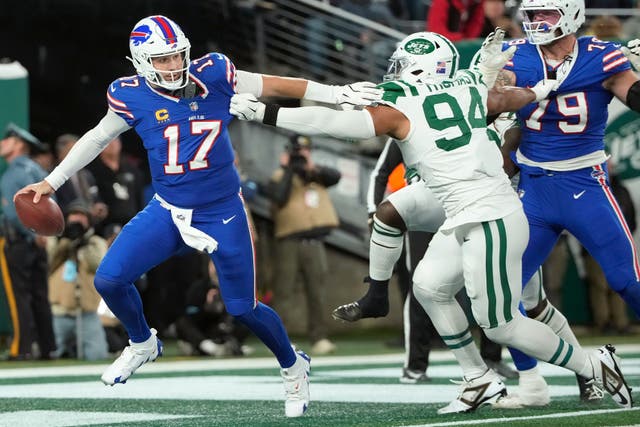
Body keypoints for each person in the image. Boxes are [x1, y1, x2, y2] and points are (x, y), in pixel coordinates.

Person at [230, 30, 633, 412]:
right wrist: (538, 89)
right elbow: (506, 101)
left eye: (402, 64)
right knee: (428, 286)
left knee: (500, 324)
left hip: (489, 214)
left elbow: (333, 124)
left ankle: (594, 366)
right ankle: (478, 378)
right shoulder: (469, 84)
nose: (395, 71)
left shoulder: (408, 103)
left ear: (422, 69)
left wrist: (267, 114)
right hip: (470, 209)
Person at [16, 15, 381, 418]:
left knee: (242, 308)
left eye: (177, 56)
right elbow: (97, 138)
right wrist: (51, 182)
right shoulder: (130, 95)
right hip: (169, 210)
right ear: (140, 62)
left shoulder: (216, 72)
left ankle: (293, 366)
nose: (174, 66)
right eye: (163, 59)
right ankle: (142, 342)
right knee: (109, 278)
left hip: (221, 211)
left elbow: (277, 84)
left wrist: (335, 93)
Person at [492, 0, 640, 393]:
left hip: (585, 185)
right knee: (502, 299)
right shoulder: (516, 54)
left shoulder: (603, 55)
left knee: (627, 282)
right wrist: (490, 79)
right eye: (533, 14)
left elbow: (635, 97)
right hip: (534, 190)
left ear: (571, 14)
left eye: (547, 14)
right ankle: (534, 381)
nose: (537, 22)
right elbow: (493, 103)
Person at [267, 134, 340, 356]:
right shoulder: (279, 175)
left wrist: (310, 167)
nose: (300, 156)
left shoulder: (316, 175)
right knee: (284, 292)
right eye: (296, 152)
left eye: (304, 151)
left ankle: (319, 337)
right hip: (288, 241)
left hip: (314, 241)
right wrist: (289, 169)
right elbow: (278, 197)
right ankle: (279, 340)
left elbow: (335, 177)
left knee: (317, 291)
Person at [0, 123, 56, 360]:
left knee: (19, 296)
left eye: (6, 140)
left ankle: (21, 349)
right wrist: (42, 235)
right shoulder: (36, 170)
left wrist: (32, 235)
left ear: (18, 144)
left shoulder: (12, 173)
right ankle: (47, 347)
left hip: (19, 241)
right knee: (40, 295)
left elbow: (14, 212)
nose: (2, 143)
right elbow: (52, 206)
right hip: (40, 241)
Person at [48, 199, 109, 360]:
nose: (77, 219)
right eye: (74, 214)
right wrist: (66, 243)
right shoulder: (56, 240)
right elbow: (50, 263)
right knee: (48, 353)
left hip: (87, 313)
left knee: (98, 355)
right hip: (59, 312)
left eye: (82, 215)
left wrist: (83, 243)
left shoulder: (97, 242)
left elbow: (99, 264)